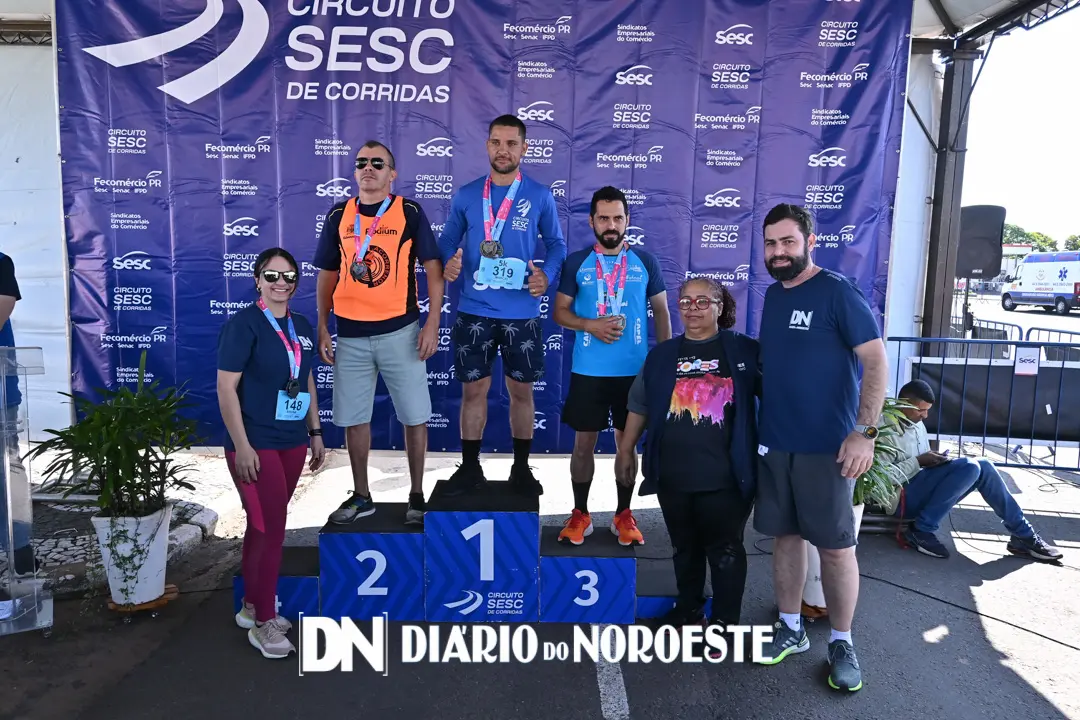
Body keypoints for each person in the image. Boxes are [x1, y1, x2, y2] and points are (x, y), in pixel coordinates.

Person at [751, 203, 887, 693]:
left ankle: (842, 642)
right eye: (771, 243)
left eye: (788, 242)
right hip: (776, 443)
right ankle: (790, 627)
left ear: (810, 241)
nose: (778, 251)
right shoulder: (773, 295)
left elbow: (876, 361)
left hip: (827, 449)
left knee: (835, 548)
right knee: (785, 538)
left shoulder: (837, 292)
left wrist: (864, 432)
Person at [617, 278, 760, 641]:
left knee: (725, 550)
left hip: (727, 477)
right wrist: (625, 450)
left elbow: (779, 397)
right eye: (685, 301)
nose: (693, 308)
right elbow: (639, 404)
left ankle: (725, 623)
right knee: (684, 548)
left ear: (719, 307)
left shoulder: (744, 350)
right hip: (673, 475)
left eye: (702, 301)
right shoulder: (662, 355)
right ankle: (688, 610)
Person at [314, 141, 444, 526]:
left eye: (377, 163)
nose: (368, 168)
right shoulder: (339, 214)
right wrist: (322, 325)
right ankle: (362, 496)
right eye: (361, 163)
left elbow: (433, 268)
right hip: (350, 335)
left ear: (392, 173)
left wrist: (433, 322)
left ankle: (416, 496)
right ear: (355, 171)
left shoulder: (408, 211)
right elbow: (328, 274)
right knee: (355, 418)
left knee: (414, 417)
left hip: (401, 331)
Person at [438, 115, 567, 496]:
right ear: (487, 146)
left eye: (511, 143)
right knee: (473, 392)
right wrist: (449, 262)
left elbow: (556, 245)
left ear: (524, 148)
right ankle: (470, 468)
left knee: (522, 393)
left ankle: (521, 469)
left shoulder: (540, 195)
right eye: (496, 142)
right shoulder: (467, 195)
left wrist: (547, 276)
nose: (503, 150)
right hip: (474, 310)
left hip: (521, 313)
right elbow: (446, 241)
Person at [217, 248, 326, 660]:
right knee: (271, 530)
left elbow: (305, 378)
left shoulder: (301, 325)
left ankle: (250, 606)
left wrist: (315, 431)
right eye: (272, 275)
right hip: (255, 443)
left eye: (289, 276)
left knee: (261, 528)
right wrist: (242, 445)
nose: (281, 283)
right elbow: (226, 389)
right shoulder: (243, 325)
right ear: (257, 280)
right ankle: (265, 621)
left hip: (292, 441)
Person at [553, 186, 670, 546]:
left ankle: (623, 514)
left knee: (627, 445)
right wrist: (590, 325)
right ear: (591, 221)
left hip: (634, 374)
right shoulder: (577, 262)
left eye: (617, 218)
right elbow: (560, 312)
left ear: (627, 220)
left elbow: (662, 312)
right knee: (582, 445)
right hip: (588, 371)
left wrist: (665, 363)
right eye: (603, 218)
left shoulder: (645, 261)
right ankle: (580, 513)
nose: (611, 225)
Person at [884, 379, 1062, 561]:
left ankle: (1023, 535)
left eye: (927, 410)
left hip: (920, 485)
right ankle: (921, 530)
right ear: (903, 403)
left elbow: (921, 462)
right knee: (970, 467)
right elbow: (883, 479)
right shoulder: (884, 428)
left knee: (984, 465)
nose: (926, 415)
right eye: (921, 410)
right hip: (900, 499)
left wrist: (934, 460)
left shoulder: (916, 423)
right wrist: (918, 461)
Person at [0, 251, 34, 578]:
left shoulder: (0, 262)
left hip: (0, 395)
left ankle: (19, 548)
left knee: (6, 472)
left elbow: (2, 307)